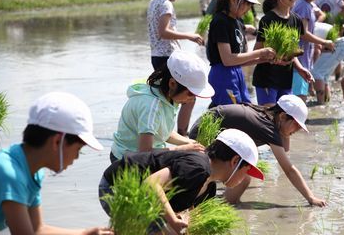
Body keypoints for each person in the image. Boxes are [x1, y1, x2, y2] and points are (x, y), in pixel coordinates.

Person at [0, 92, 112, 235]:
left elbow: (38, 229)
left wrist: (86, 233)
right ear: (57, 141)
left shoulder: (32, 171)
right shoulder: (8, 172)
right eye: (78, 149)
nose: (76, 157)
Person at [99, 129, 264, 235]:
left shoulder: (209, 189)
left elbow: (188, 211)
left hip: (142, 196)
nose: (246, 177)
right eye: (247, 171)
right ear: (235, 161)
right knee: (154, 230)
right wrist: (173, 221)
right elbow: (151, 184)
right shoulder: (198, 166)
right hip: (117, 186)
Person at [188, 95, 326, 206]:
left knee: (240, 175)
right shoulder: (267, 128)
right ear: (282, 116)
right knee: (240, 176)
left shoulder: (268, 116)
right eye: (296, 124)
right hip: (203, 133)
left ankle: (217, 204)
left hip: (209, 128)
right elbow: (289, 169)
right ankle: (216, 205)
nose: (297, 130)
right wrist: (311, 197)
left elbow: (285, 148)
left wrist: (287, 131)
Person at [110, 50, 214, 162]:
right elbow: (144, 152)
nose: (192, 99)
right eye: (190, 93)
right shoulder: (151, 106)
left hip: (147, 152)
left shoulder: (167, 96)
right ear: (172, 84)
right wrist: (182, 149)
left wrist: (190, 142)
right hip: (126, 159)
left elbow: (162, 133)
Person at [147, 0, 204, 135]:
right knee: (189, 96)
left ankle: (165, 132)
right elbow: (163, 32)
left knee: (168, 97)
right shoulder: (165, 3)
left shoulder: (153, 1)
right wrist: (190, 36)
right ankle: (181, 134)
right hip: (167, 58)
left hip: (157, 56)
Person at [207, 0, 275, 107]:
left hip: (236, 73)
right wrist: (261, 52)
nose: (249, 9)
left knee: (244, 109)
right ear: (233, 0)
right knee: (230, 115)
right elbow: (227, 59)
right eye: (247, 4)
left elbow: (238, 60)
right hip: (223, 76)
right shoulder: (220, 22)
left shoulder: (237, 21)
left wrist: (263, 59)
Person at [252, 0, 314, 106]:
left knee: (283, 119)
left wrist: (301, 68)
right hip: (266, 79)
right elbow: (256, 51)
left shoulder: (296, 19)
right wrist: (274, 58)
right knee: (268, 120)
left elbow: (292, 50)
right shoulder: (267, 20)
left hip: (286, 79)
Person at [292, 0, 335, 102]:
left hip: (303, 58)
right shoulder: (303, 6)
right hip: (299, 59)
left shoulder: (308, 4)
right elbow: (303, 34)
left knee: (299, 97)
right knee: (299, 99)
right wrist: (325, 42)